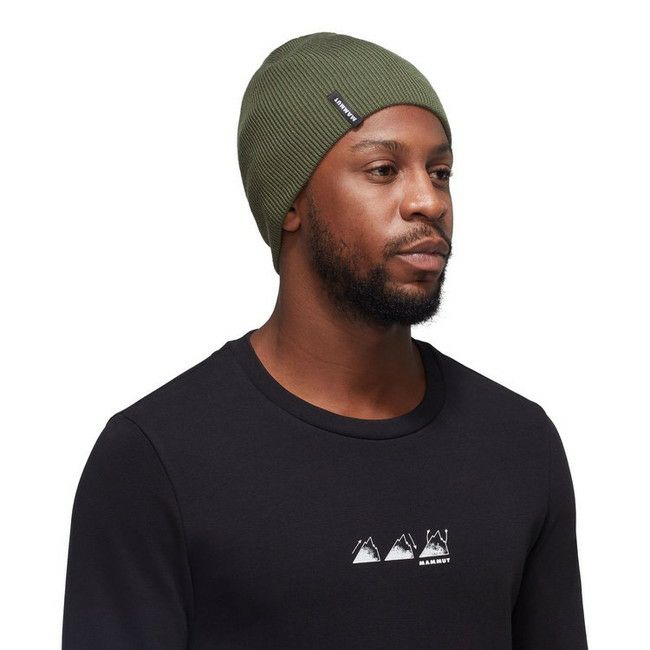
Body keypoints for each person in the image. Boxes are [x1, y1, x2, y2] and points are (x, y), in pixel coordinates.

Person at [62, 32, 588, 648]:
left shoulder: (519, 444)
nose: (429, 201)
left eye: (440, 172)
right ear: (292, 202)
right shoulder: (155, 461)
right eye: (383, 170)